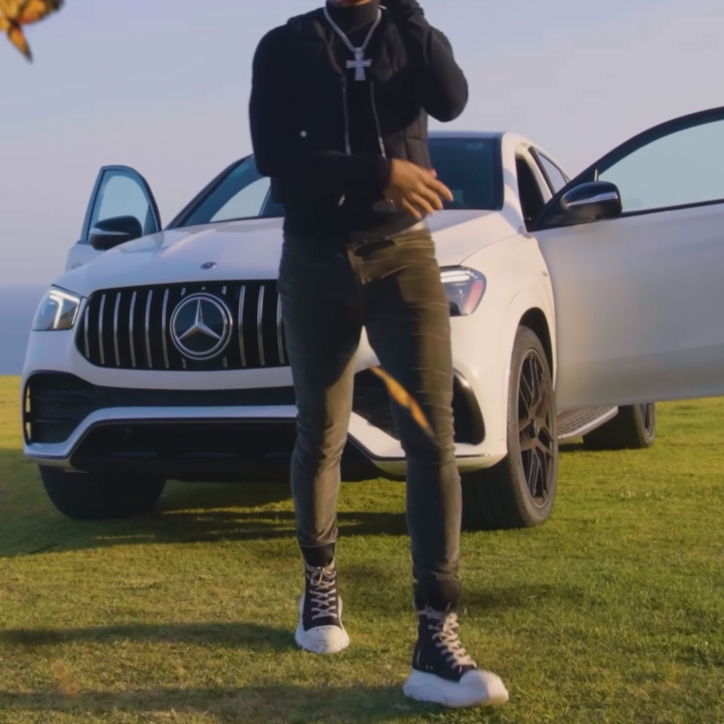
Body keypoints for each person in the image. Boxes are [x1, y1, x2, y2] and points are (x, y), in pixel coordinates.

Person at [249, 0, 509, 709]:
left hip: (404, 256)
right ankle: (320, 587)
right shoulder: (285, 45)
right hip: (314, 258)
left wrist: (413, 16)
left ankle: (436, 633)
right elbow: (275, 157)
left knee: (431, 436)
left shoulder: (407, 33)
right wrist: (380, 173)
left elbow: (450, 99)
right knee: (321, 432)